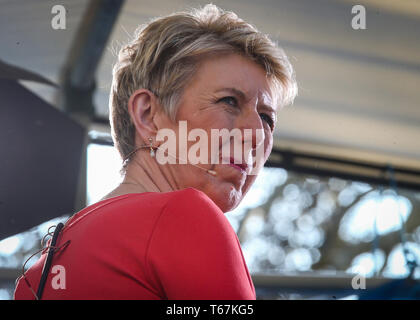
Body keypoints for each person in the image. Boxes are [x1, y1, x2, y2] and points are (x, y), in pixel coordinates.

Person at [14, 4, 297, 300]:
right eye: (228, 101)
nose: (255, 134)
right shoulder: (186, 216)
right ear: (148, 115)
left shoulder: (37, 274)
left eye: (267, 118)